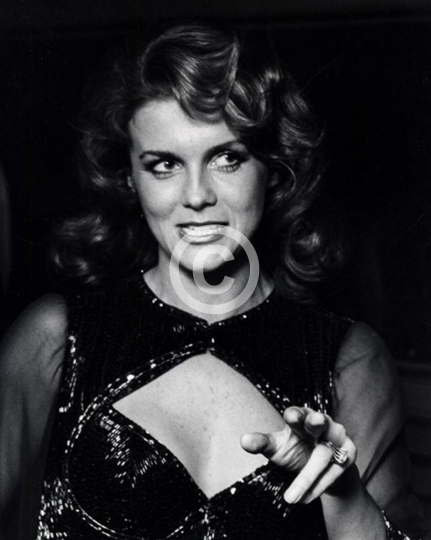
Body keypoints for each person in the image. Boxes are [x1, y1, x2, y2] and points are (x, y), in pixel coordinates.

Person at [0, 21, 428, 540]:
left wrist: (345, 494)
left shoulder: (351, 361)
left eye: (227, 158)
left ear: (272, 167)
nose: (197, 195)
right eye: (164, 164)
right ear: (129, 177)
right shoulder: (53, 340)